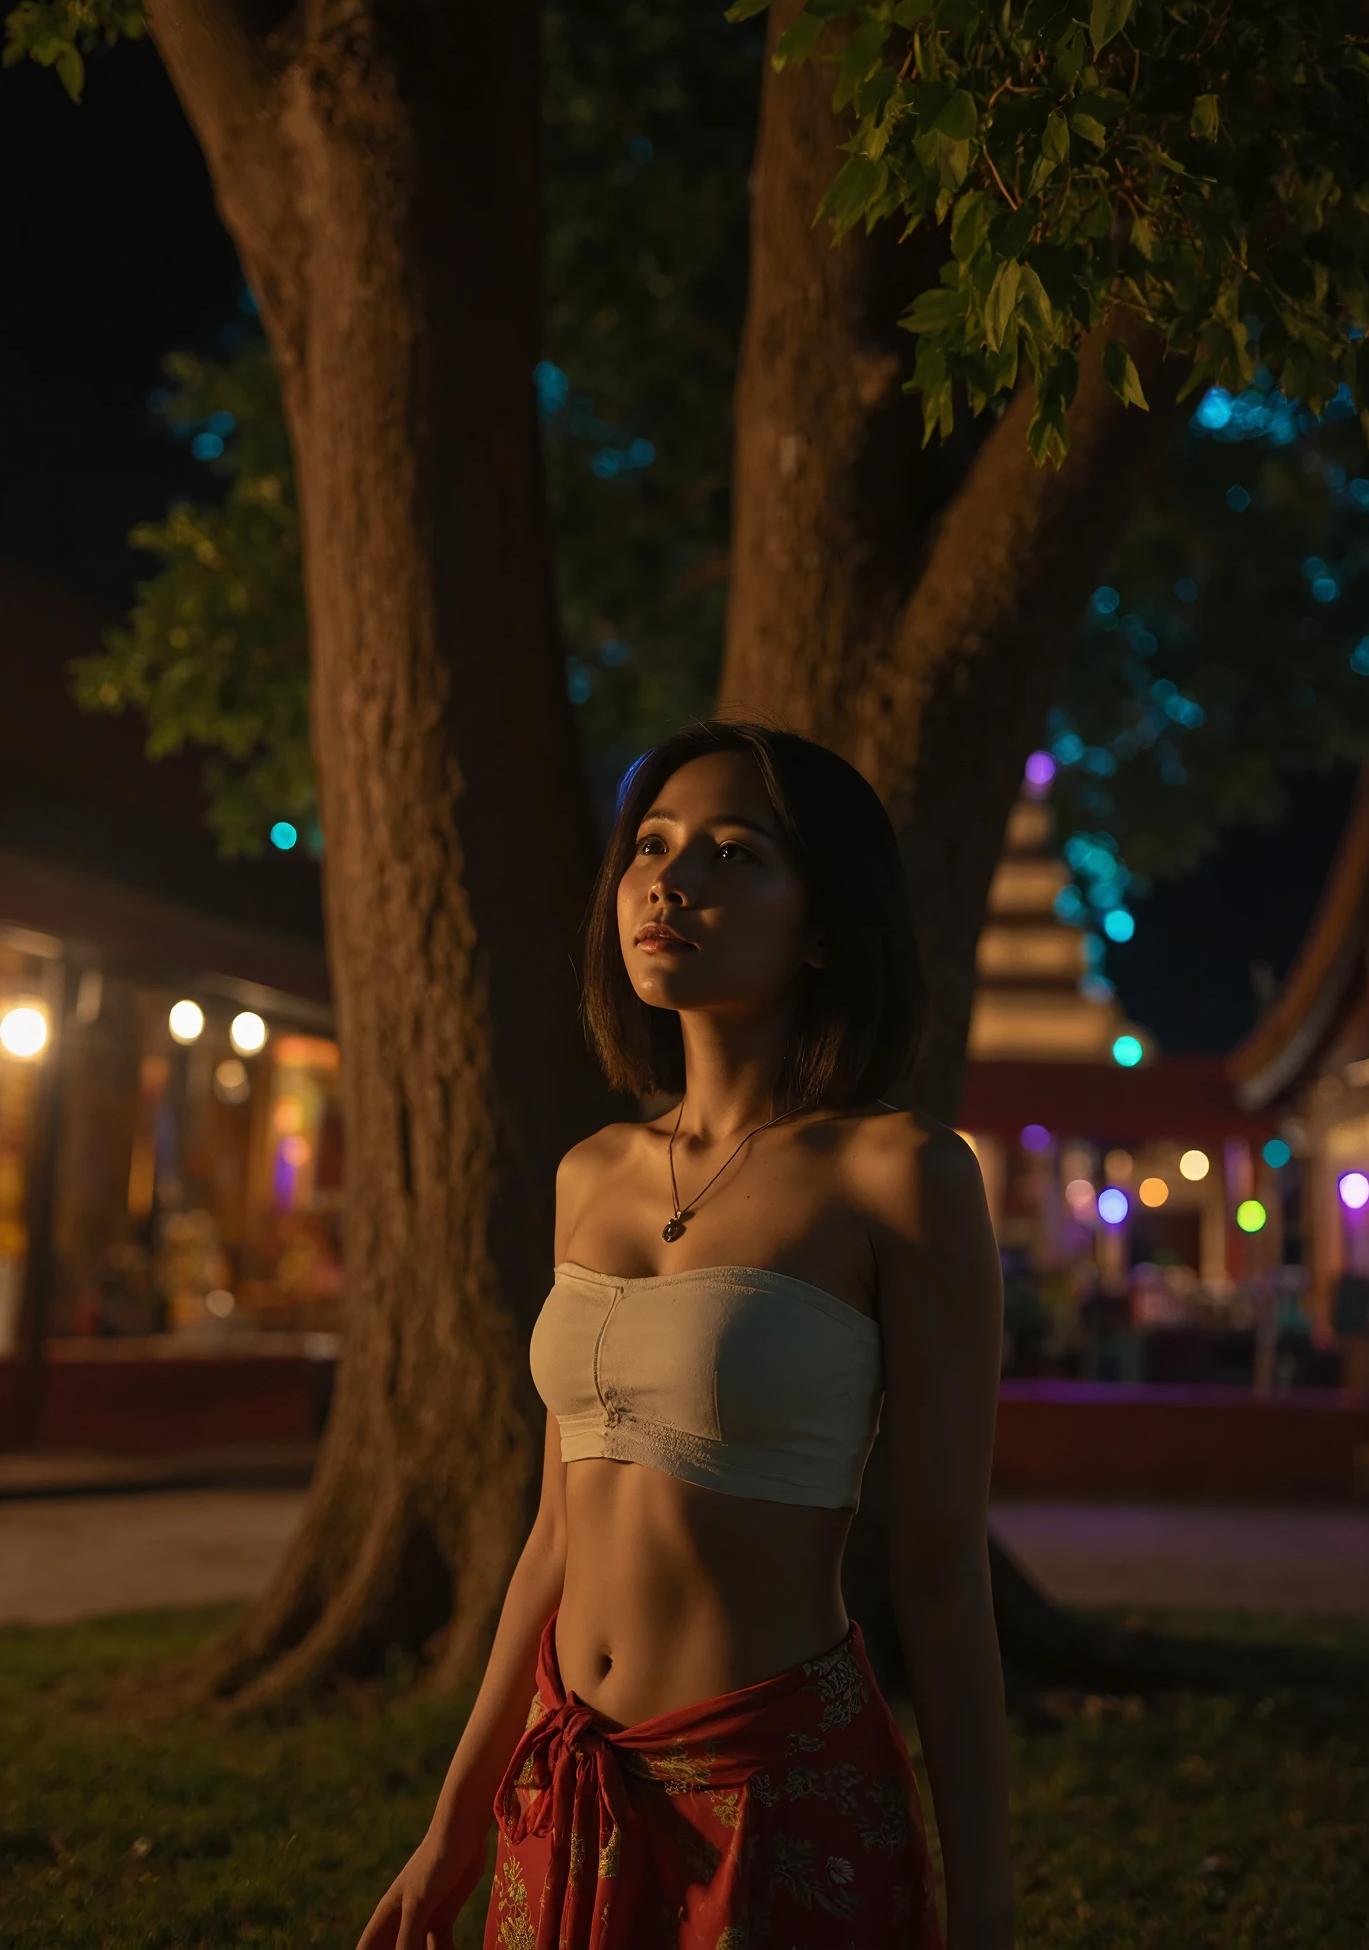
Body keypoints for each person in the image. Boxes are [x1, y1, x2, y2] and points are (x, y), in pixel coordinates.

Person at [358, 721, 1013, 1950]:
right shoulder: (589, 1174)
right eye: (651, 846)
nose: (672, 879)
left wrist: (982, 1901)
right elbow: (555, 1530)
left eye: (733, 852)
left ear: (822, 923)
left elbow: (936, 1566)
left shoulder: (898, 1174)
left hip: (771, 1782)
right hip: (569, 1775)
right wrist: (454, 1822)